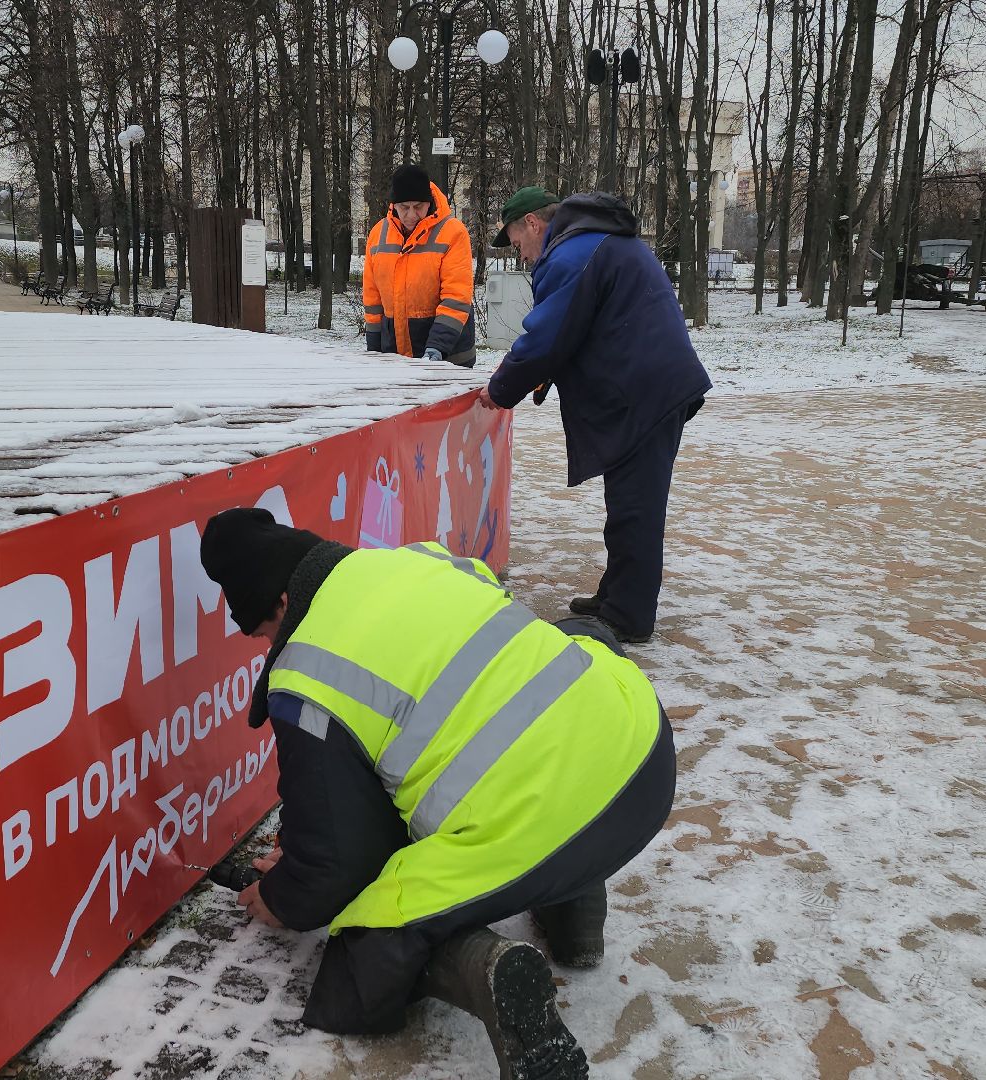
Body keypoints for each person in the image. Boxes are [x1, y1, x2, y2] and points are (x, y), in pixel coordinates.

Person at [199, 507, 676, 1080]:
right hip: (640, 751)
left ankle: (486, 970)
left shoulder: (306, 674)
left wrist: (281, 897)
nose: (266, 649)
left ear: (279, 604)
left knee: (370, 927)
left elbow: (340, 864)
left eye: (261, 634)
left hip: (549, 815)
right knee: (539, 746)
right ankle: (574, 908)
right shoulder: (416, 559)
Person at [478, 188, 712, 645]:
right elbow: (580, 331)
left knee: (636, 508)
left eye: (517, 242)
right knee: (628, 501)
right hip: (646, 385)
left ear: (532, 224)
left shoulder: (572, 256)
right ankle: (616, 595)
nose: (522, 256)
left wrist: (500, 388)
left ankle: (628, 616)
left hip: (643, 390)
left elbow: (548, 337)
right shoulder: (594, 243)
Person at [362, 164, 477, 367]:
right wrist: (374, 347)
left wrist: (437, 347)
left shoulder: (453, 232)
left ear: (429, 202)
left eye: (418, 207)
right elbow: (373, 299)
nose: (411, 215)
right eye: (404, 207)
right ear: (393, 205)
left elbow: (456, 297)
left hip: (449, 358)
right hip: (394, 355)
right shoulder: (378, 234)